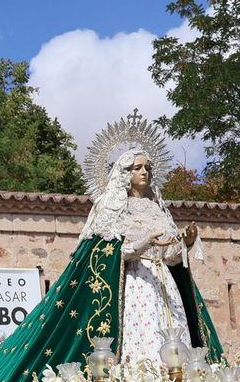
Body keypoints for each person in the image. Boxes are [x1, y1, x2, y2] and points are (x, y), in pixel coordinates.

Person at [79, 144, 202, 363]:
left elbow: (169, 257)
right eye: (137, 168)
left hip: (165, 284)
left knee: (174, 335)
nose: (145, 172)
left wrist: (186, 243)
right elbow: (110, 252)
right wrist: (144, 243)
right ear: (125, 173)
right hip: (137, 282)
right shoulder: (113, 208)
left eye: (147, 168)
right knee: (146, 335)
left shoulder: (158, 209)